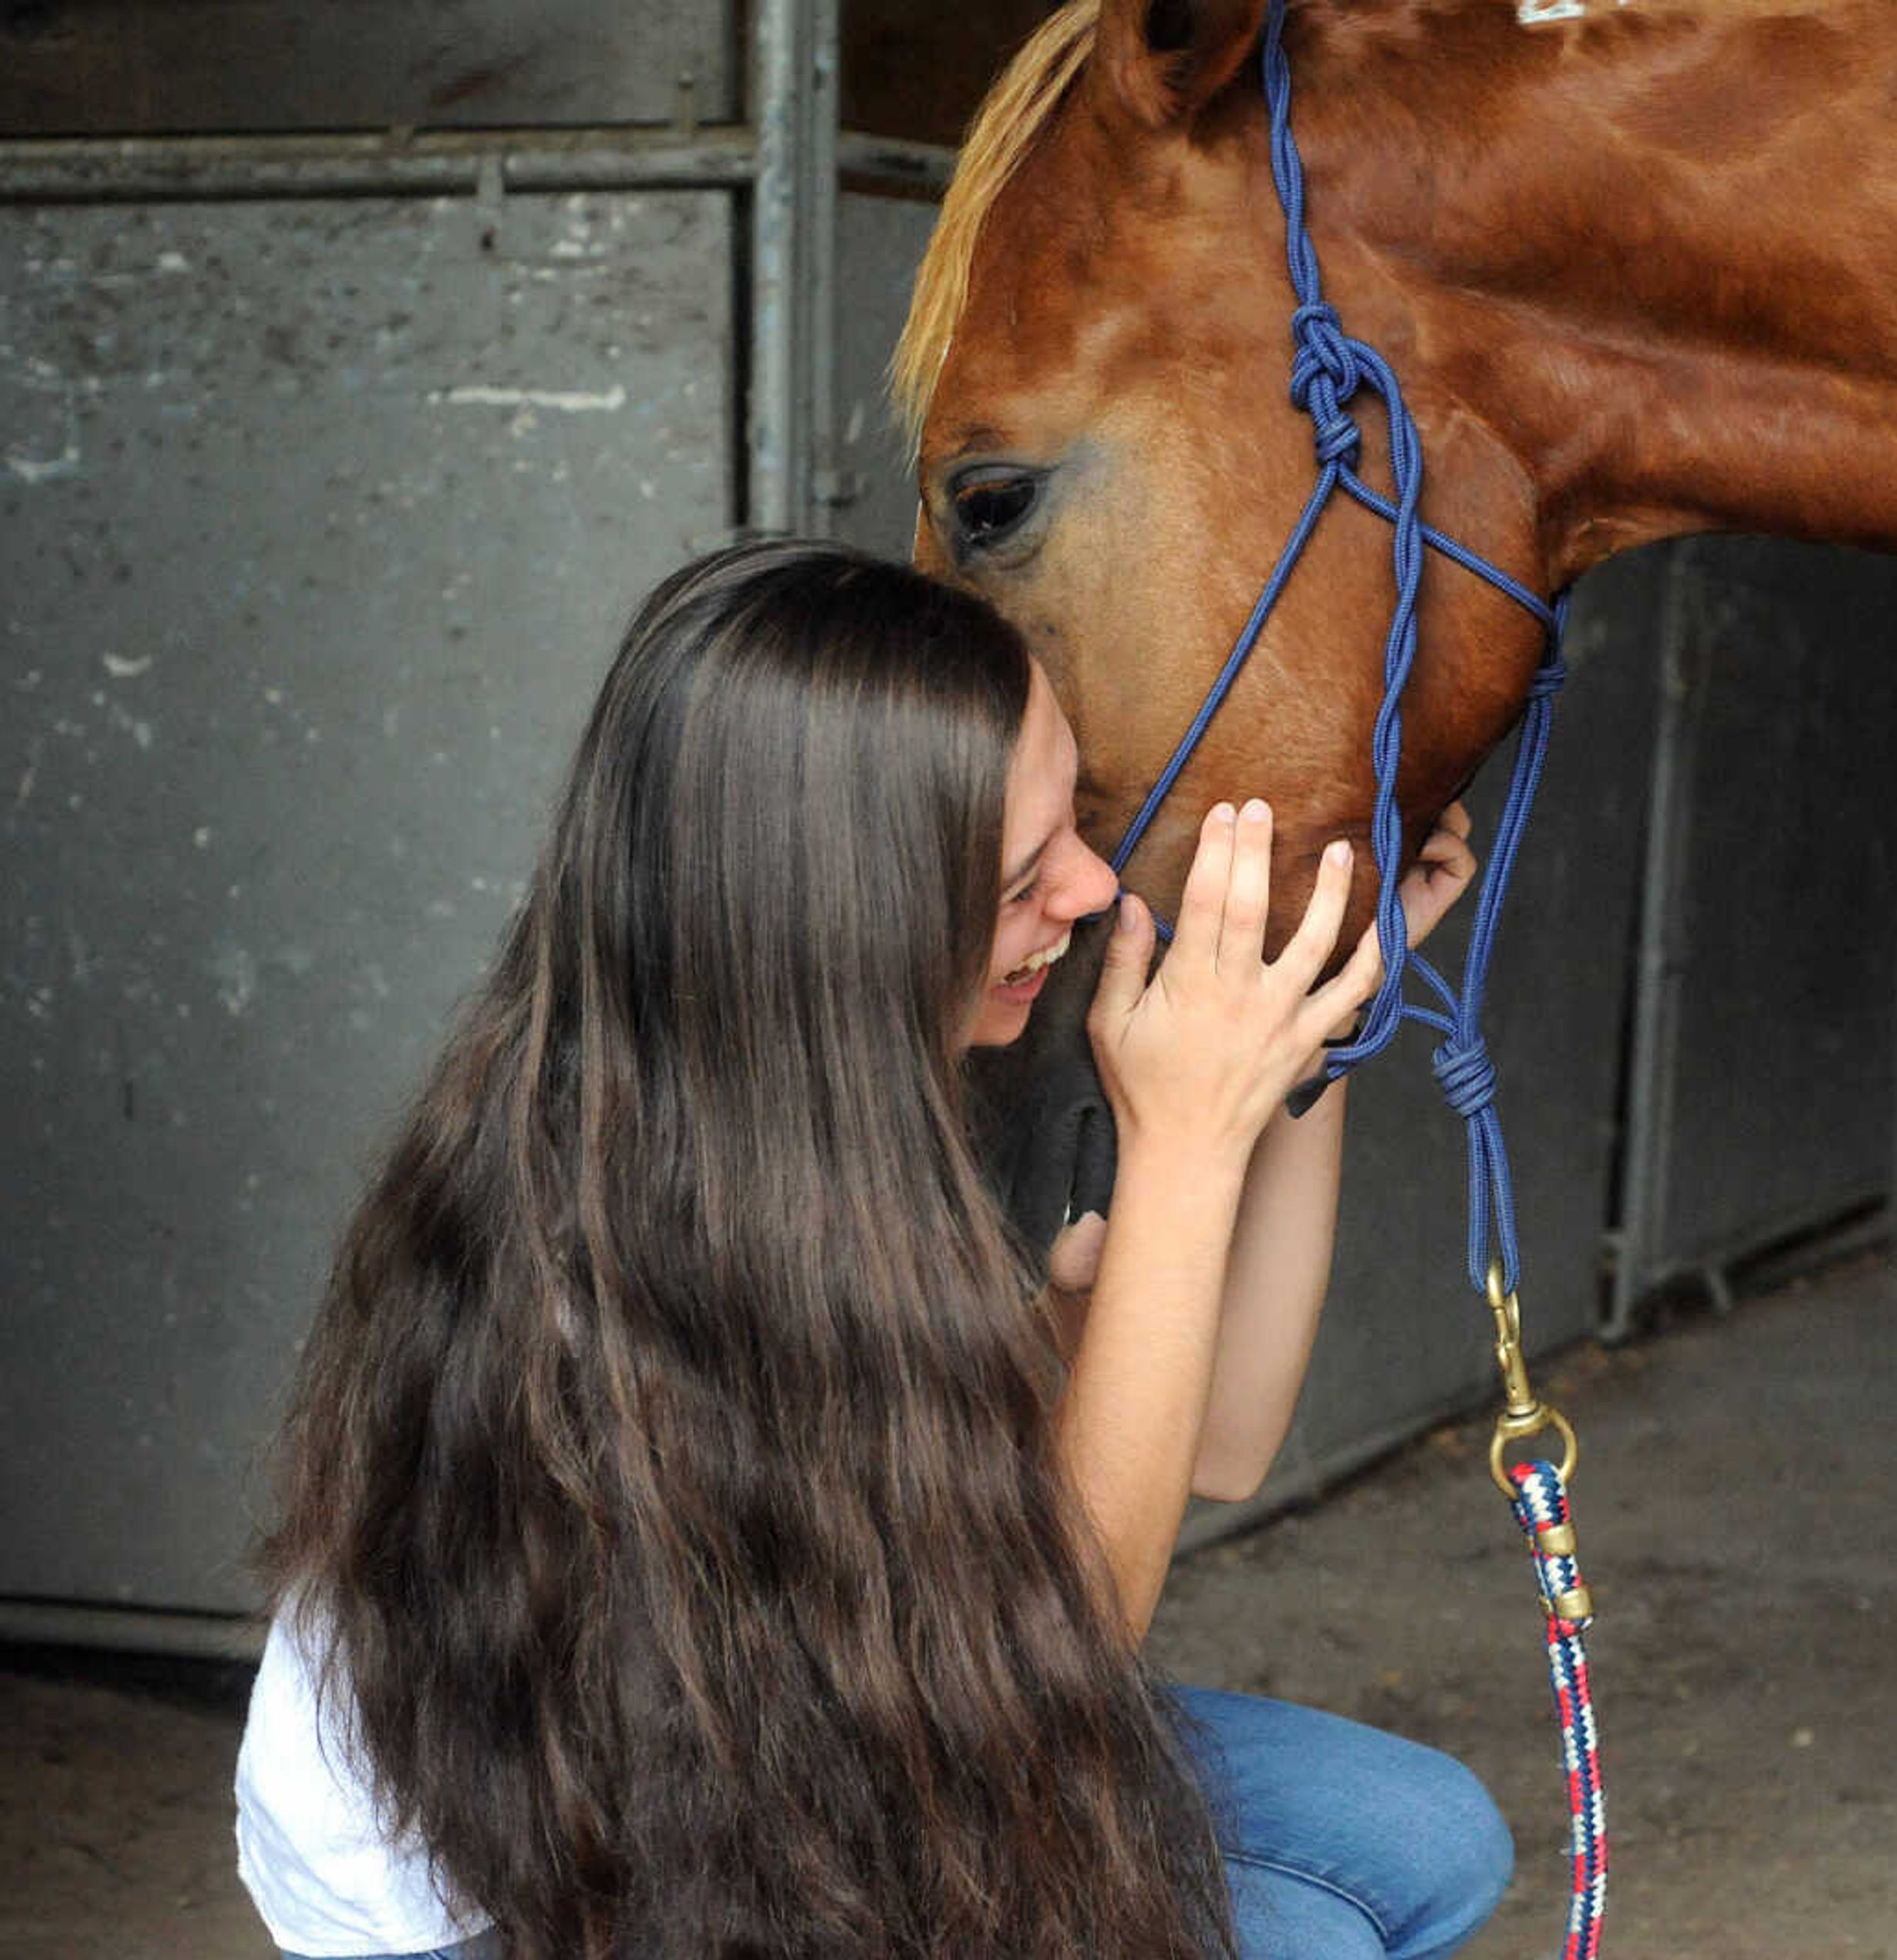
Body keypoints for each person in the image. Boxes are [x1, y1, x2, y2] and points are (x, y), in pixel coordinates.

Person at [234, 540, 1513, 1960]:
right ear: (854, 919)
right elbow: (1057, 1652)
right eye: (1027, 872)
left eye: (1080, 818)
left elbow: (1220, 1441)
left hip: (767, 1777)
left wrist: (1306, 1033)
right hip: (536, 1897)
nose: (1091, 892)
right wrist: (1188, 1149)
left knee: (1420, 1842)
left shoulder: (820, 1110)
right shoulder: (653, 1240)